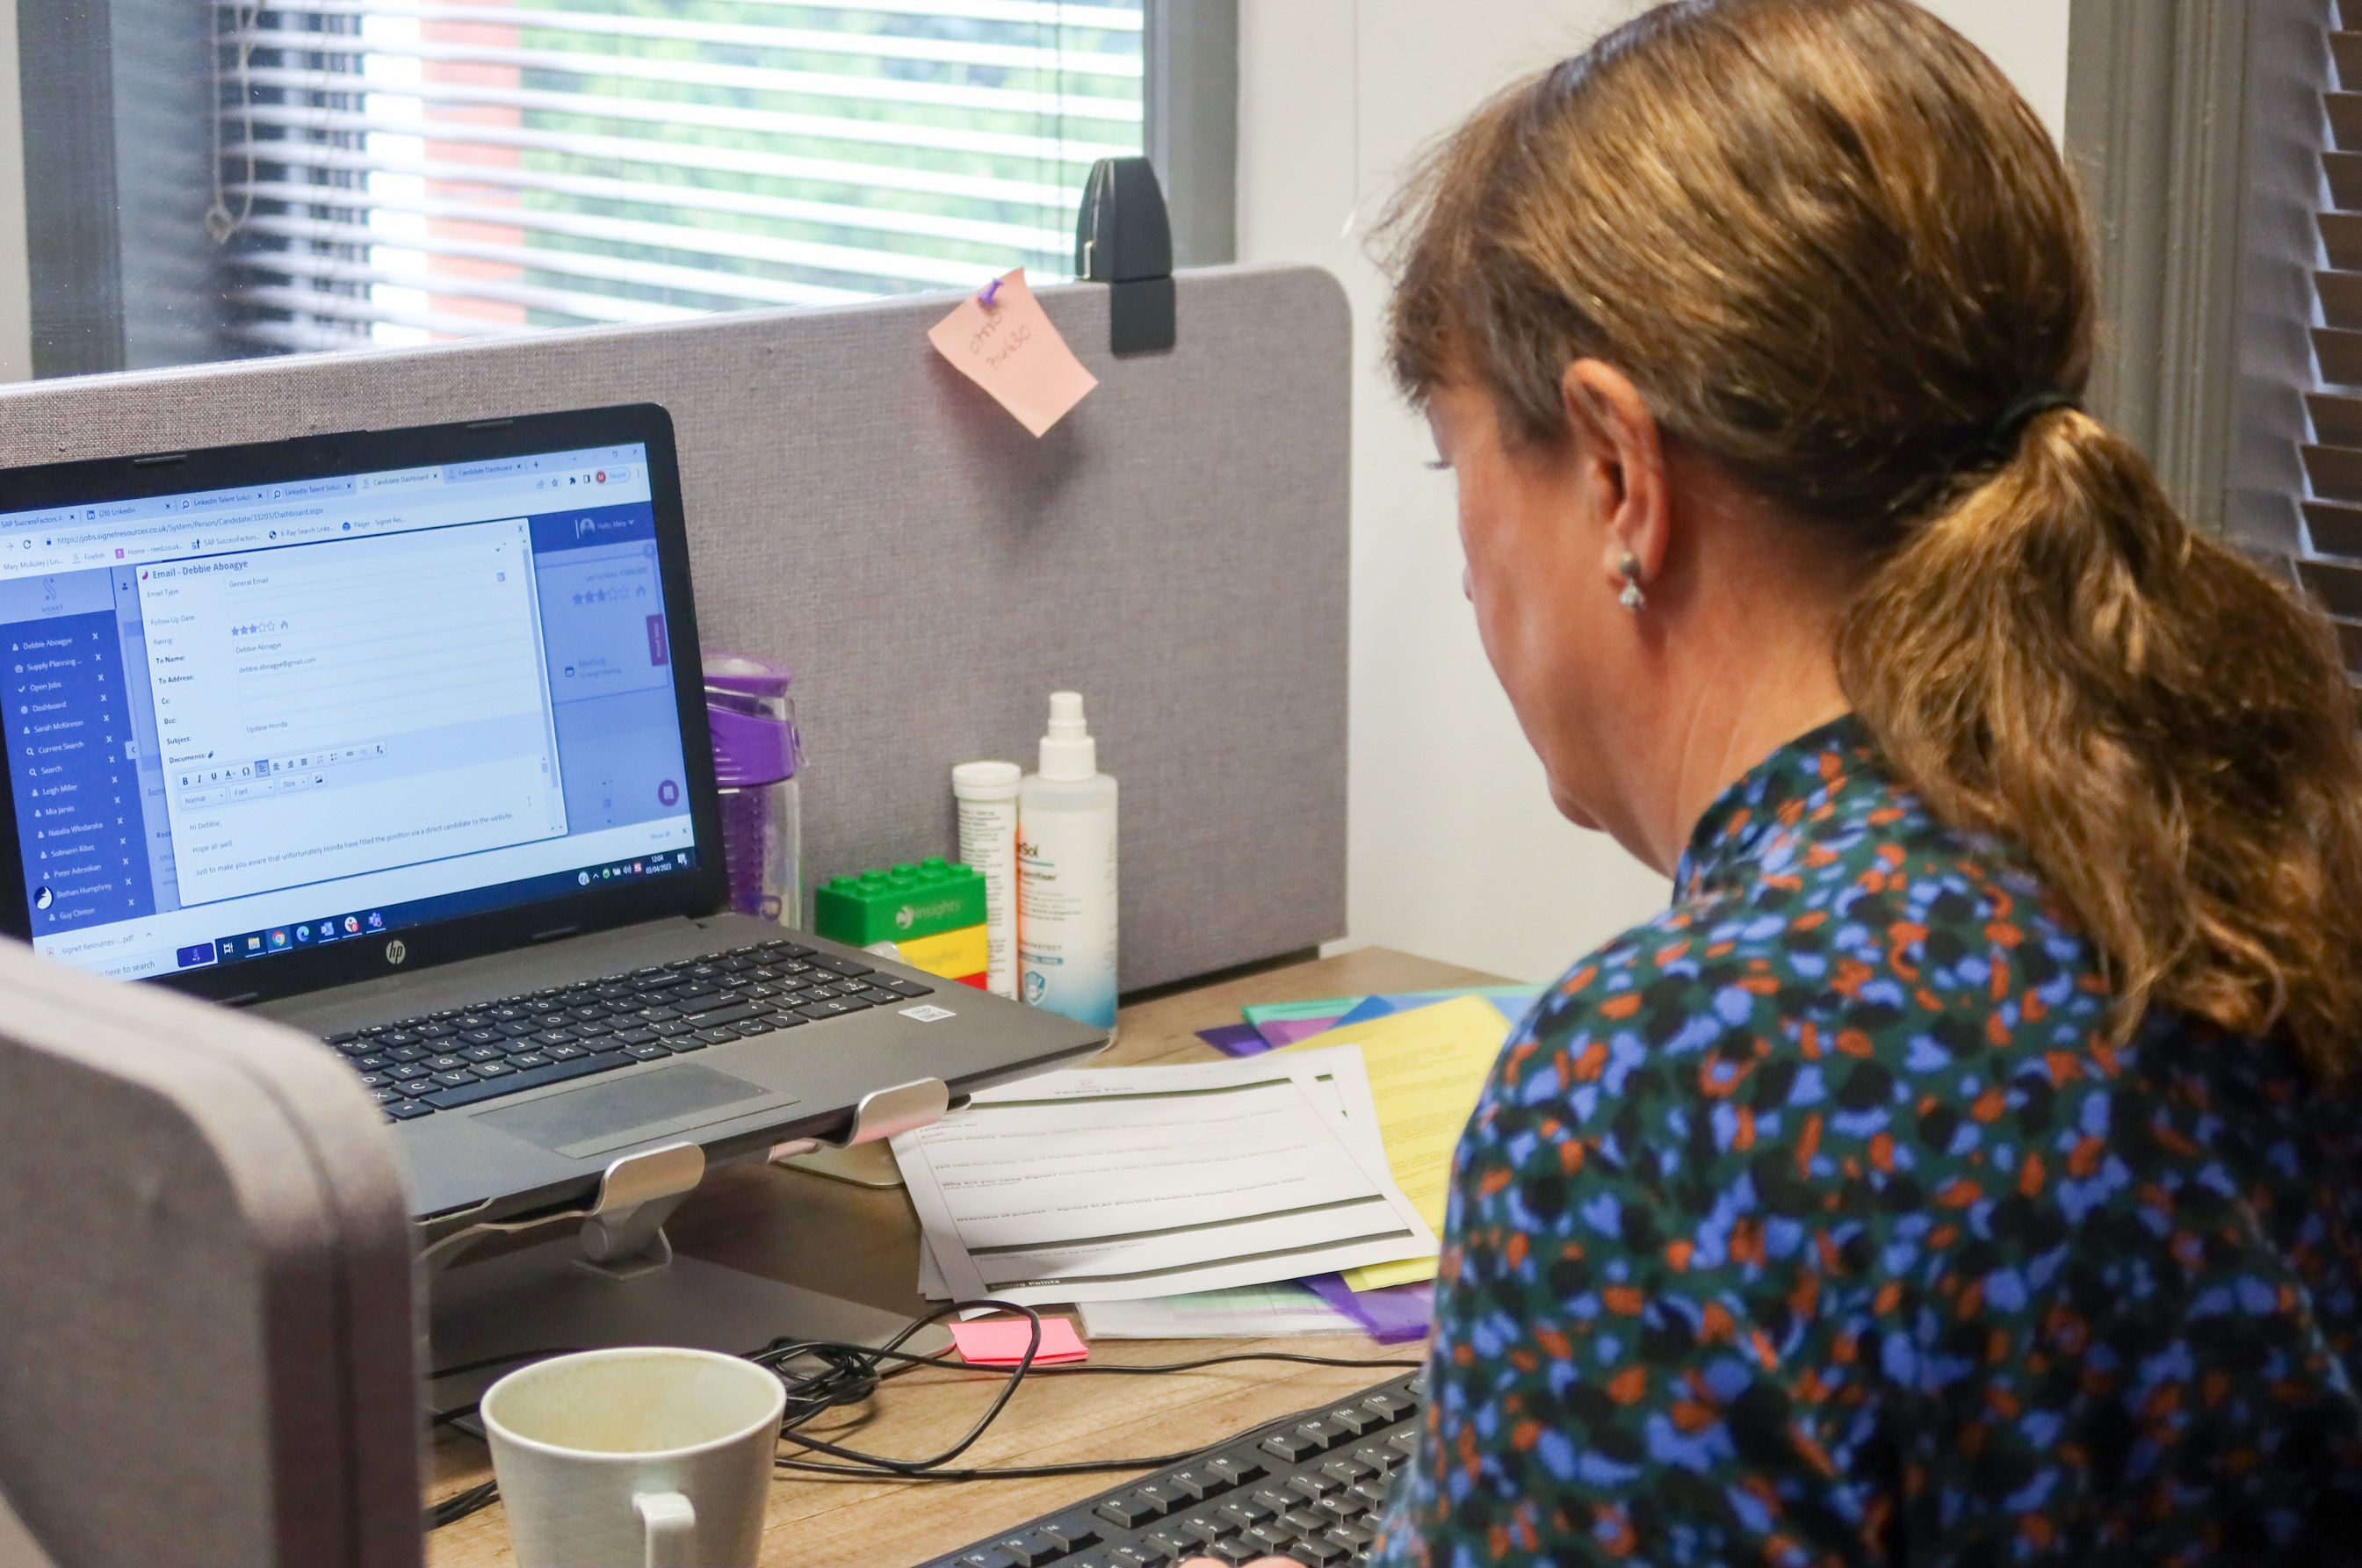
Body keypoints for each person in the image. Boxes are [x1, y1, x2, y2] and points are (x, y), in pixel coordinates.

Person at [1194, 1, 2362, 1564]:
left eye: (1457, 466)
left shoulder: (1676, 1087)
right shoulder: (2239, 849)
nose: (1470, 575)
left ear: (1616, 472)